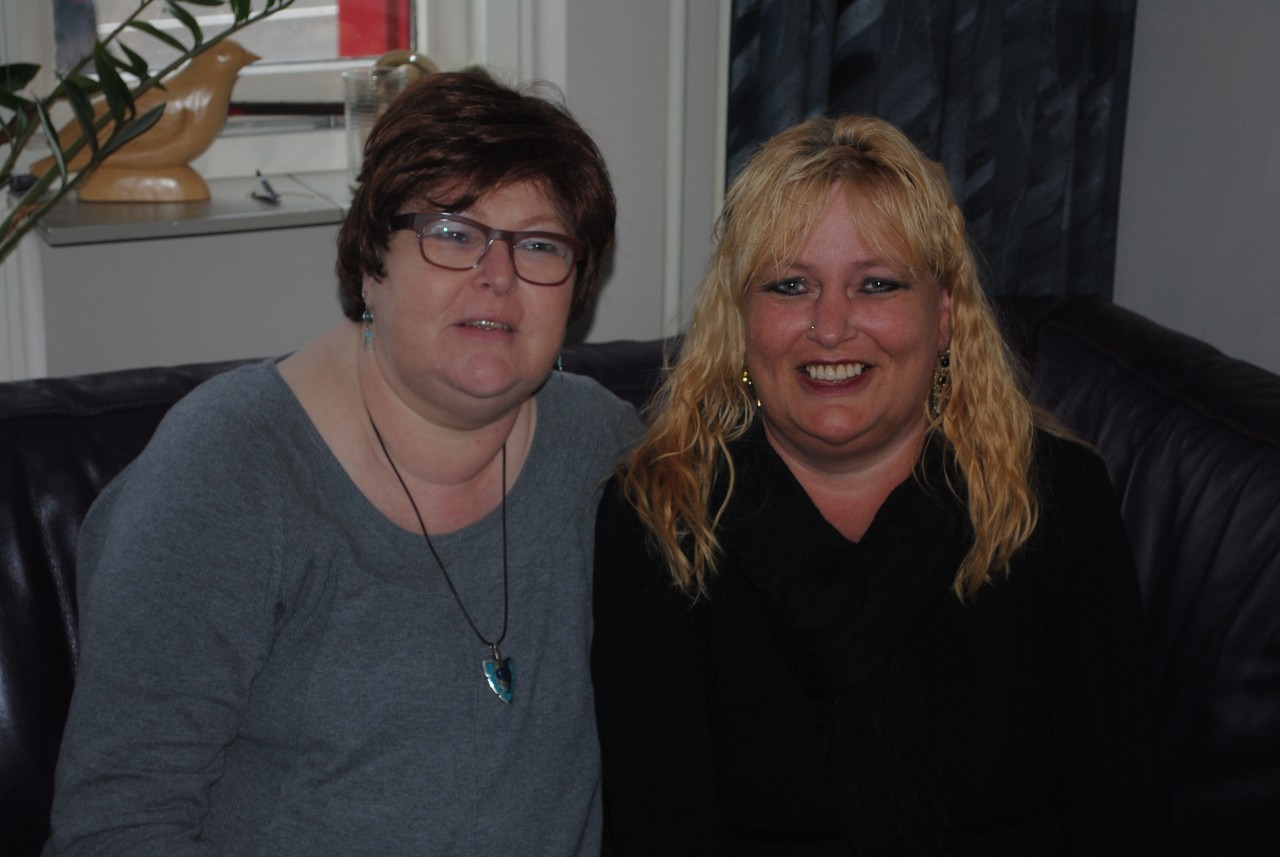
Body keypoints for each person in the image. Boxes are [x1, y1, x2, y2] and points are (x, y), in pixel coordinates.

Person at [44, 71, 639, 855]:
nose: (498, 275)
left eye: (539, 244)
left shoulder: (602, 448)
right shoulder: (227, 467)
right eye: (452, 232)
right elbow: (112, 828)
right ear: (370, 261)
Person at [592, 114, 1168, 855]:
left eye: (876, 284)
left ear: (944, 316)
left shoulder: (1053, 499)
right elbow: (660, 835)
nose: (831, 327)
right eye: (791, 285)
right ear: (741, 321)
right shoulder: (659, 517)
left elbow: (1120, 816)